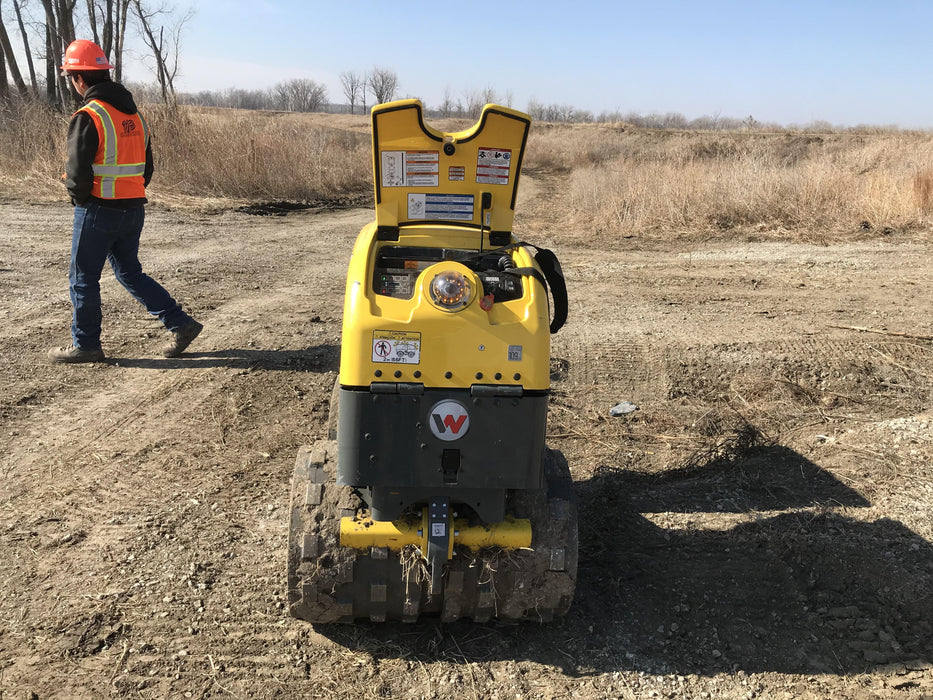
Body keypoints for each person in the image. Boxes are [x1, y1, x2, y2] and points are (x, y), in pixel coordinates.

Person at [49, 39, 202, 364]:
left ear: (79, 78)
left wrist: (80, 198)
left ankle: (86, 345)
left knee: (82, 278)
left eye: (71, 77)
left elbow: (77, 174)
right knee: (130, 272)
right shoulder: (135, 115)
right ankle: (181, 323)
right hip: (133, 209)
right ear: (105, 72)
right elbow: (145, 169)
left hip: (98, 209)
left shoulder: (89, 115)